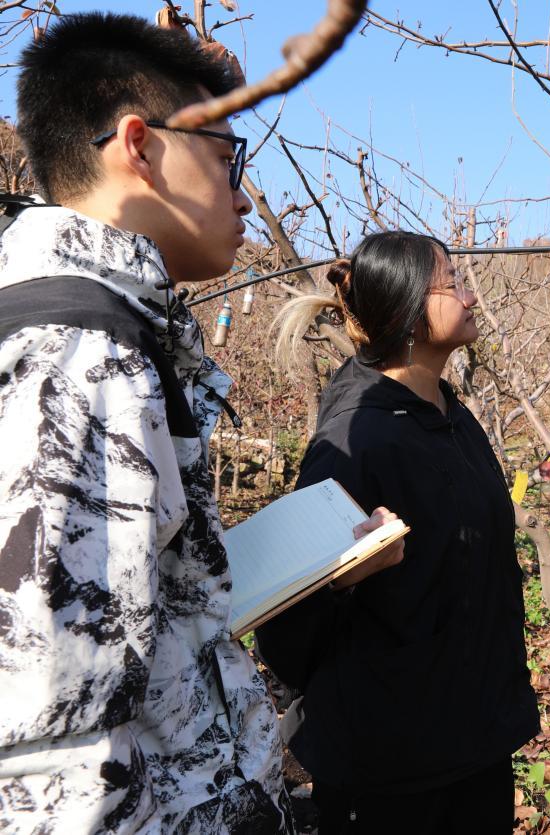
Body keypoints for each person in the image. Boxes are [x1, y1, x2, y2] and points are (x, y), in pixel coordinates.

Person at [0, 12, 400, 833]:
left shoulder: (108, 333)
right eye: (225, 158)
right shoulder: (80, 355)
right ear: (139, 147)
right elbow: (53, 748)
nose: (242, 192)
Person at [256, 231, 540, 834]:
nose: (470, 296)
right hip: (393, 763)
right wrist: (342, 579)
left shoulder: (452, 417)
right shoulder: (356, 440)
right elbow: (284, 624)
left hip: (473, 738)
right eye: (452, 283)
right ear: (410, 310)